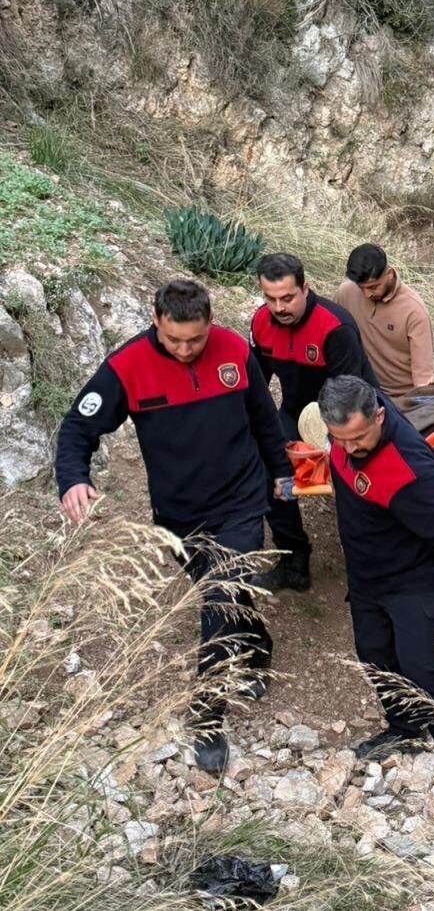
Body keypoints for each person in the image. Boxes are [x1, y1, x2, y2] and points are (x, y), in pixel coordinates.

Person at [55, 278, 291, 773]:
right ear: (155, 320)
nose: (186, 350)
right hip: (179, 514)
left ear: (209, 323)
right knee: (223, 594)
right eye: (174, 340)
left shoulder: (233, 350)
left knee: (221, 594)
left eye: (195, 340)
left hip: (241, 500)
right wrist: (73, 478)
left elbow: (264, 420)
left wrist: (283, 473)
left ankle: (207, 718)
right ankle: (258, 645)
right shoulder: (126, 367)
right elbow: (79, 426)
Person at [317, 376, 434, 812]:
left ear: (379, 415)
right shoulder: (343, 437)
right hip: (368, 580)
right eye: (340, 440)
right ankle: (405, 725)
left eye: (358, 438)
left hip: (415, 581)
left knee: (426, 671)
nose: (351, 449)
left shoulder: (410, 466)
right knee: (374, 656)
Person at [250, 252, 373, 591]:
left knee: (354, 488)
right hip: (295, 411)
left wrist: (328, 455)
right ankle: (294, 561)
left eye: (287, 297)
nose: (279, 307)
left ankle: (370, 570)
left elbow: (350, 395)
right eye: (270, 299)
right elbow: (256, 383)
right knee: (270, 475)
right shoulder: (261, 322)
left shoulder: (335, 326)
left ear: (306, 288)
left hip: (351, 414)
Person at [336, 243, 434, 398]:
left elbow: (423, 378)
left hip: (403, 398)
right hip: (361, 391)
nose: (366, 294)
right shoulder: (346, 292)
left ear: (389, 273)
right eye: (361, 287)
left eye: (373, 287)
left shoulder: (414, 311)